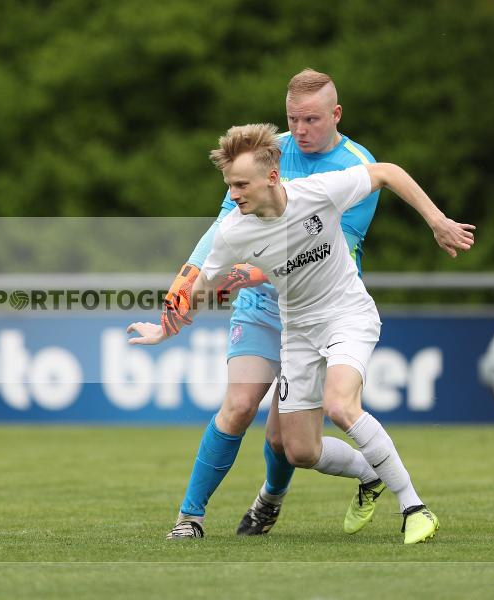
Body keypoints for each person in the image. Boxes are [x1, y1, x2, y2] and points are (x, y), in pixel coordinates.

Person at [129, 122, 474, 544]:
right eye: (229, 185)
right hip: (298, 332)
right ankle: (371, 473)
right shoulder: (234, 230)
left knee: (341, 405)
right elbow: (202, 286)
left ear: (272, 177)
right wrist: (165, 330)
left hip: (346, 314)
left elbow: (387, 172)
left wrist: (437, 221)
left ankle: (414, 507)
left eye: (240, 185)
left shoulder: (320, 191)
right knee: (300, 450)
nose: (232, 195)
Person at [157, 69, 384, 540]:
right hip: (262, 306)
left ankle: (271, 501)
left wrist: (247, 272)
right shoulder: (264, 157)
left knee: (288, 442)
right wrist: (189, 277)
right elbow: (224, 227)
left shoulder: (356, 166)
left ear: (336, 114)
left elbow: (322, 245)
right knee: (238, 406)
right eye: (292, 119)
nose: (299, 131)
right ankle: (189, 518)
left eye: (311, 120)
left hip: (317, 310)